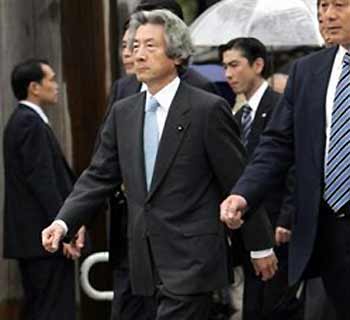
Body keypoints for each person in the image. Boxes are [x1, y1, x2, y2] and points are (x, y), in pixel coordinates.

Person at [42, 9, 276, 320]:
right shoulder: (123, 112)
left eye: (150, 46)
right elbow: (98, 176)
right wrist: (63, 222)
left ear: (176, 54)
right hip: (142, 261)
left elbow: (238, 180)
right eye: (135, 46)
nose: (138, 55)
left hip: (193, 258)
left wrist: (259, 245)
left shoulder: (207, 109)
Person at [220, 1, 350, 319]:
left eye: (340, 5)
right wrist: (243, 193)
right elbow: (277, 144)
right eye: (323, 5)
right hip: (326, 231)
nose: (327, 15)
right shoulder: (307, 71)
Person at [220, 37, 303, 320]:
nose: (228, 74)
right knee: (250, 304)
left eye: (234, 65)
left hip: (275, 224)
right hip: (244, 224)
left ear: (257, 65)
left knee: (274, 305)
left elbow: (292, 163)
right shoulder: (235, 111)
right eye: (224, 67)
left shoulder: (280, 105)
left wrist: (287, 217)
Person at [2, 59, 85, 320]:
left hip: (38, 238)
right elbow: (43, 183)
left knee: (43, 306)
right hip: (43, 239)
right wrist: (64, 229)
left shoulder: (27, 121)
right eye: (50, 79)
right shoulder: (29, 123)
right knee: (52, 310)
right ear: (34, 88)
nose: (56, 85)